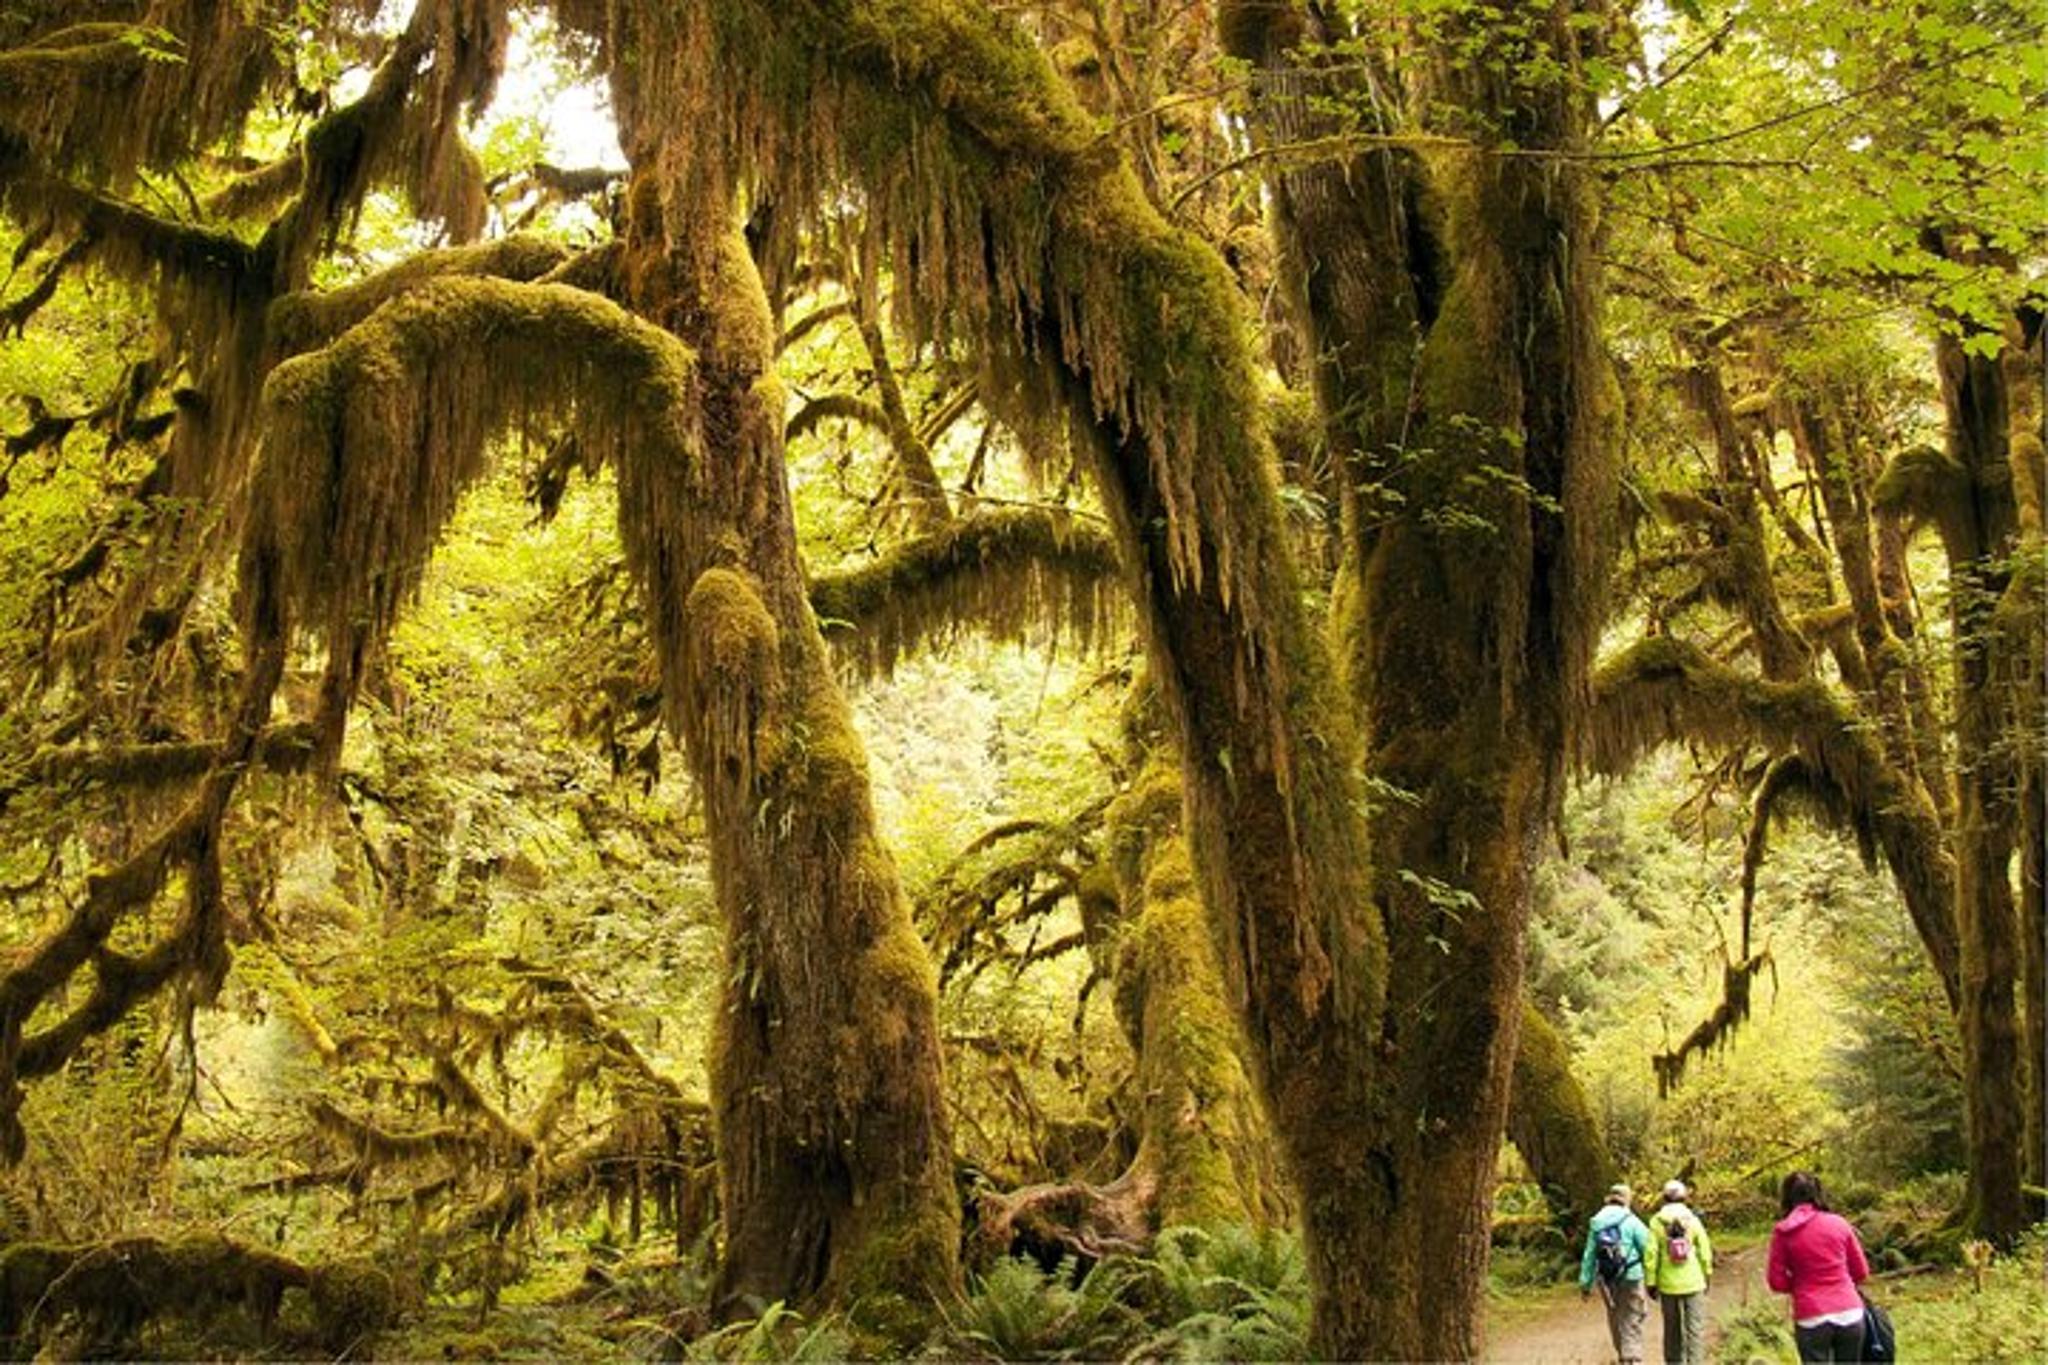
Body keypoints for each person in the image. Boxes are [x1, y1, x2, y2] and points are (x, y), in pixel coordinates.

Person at [1766, 1171, 1872, 1362]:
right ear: (1818, 1194)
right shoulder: (1839, 1223)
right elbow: (1861, 1272)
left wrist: (1799, 1285)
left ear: (1787, 1197)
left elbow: (1776, 1281)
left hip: (1811, 1315)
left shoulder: (1783, 1232)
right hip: (1849, 1311)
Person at [1579, 1182, 1653, 1365]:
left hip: (1606, 1278)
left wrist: (1585, 1283)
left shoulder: (1596, 1221)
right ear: (1626, 1200)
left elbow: (1589, 1255)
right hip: (1632, 1275)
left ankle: (1622, 1354)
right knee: (1634, 1313)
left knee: (1614, 1313)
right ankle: (1633, 1357)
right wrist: (1653, 1277)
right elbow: (1648, 1249)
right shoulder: (1632, 1221)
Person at [1643, 1178, 1714, 1365]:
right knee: (1695, 1329)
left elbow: (1651, 1254)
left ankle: (1674, 1362)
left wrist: (1651, 1282)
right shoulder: (1693, 1220)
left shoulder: (1656, 1222)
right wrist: (1707, 1273)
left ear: (1664, 1198)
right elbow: (1705, 1250)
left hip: (1668, 1284)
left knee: (1672, 1329)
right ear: (1684, 1198)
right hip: (1694, 1282)